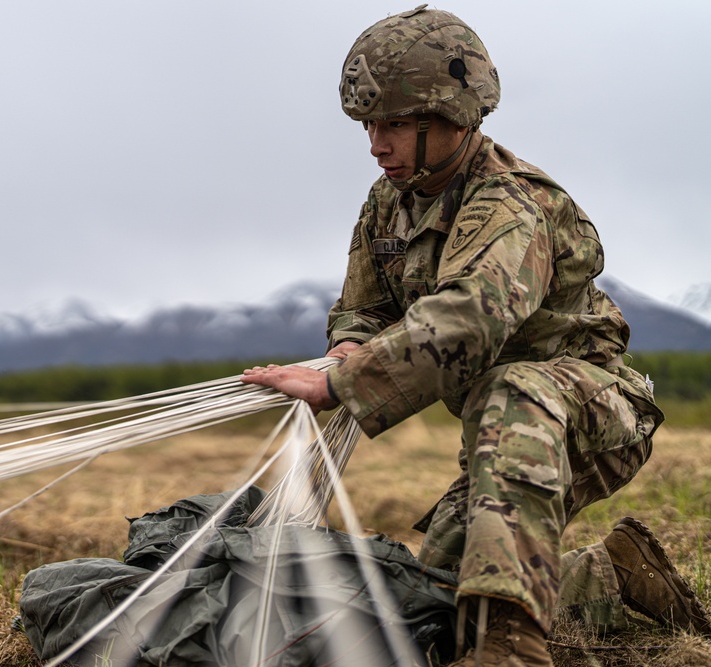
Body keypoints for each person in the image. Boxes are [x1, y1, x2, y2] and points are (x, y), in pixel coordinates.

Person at [240, 5, 710, 665]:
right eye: (370, 125)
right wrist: (346, 346)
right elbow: (365, 309)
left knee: (512, 389)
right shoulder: (388, 203)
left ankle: (513, 650)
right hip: (504, 435)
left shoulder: (510, 203)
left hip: (587, 411)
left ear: (454, 118)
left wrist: (340, 383)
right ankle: (608, 576)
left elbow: (473, 315)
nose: (377, 144)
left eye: (396, 125)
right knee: (438, 601)